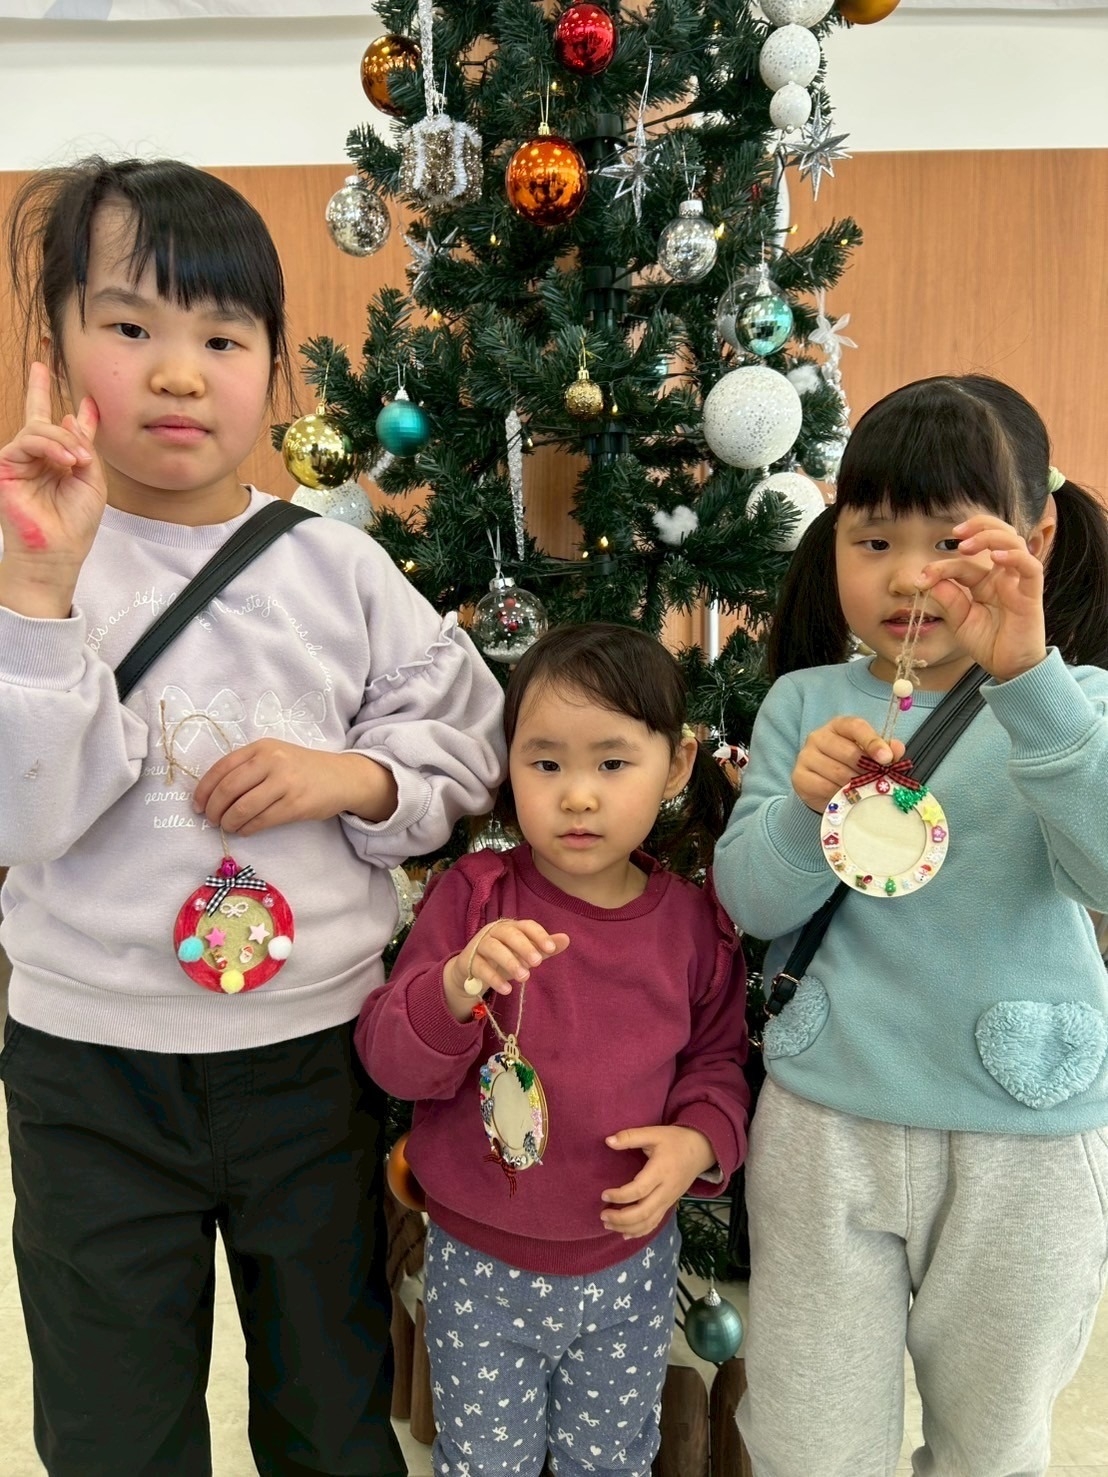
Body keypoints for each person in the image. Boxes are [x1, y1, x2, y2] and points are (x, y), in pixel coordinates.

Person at [0, 156, 505, 1477]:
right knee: (112, 1428)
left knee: (331, 1411)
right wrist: (38, 597)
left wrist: (356, 778)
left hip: (311, 1060)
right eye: (129, 326)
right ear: (54, 350)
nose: (179, 374)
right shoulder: (23, 558)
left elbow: (465, 730)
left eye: (222, 338)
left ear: (275, 366)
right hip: (91, 1072)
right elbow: (22, 818)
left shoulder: (337, 565)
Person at [713, 374, 1108, 1477]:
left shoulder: (1077, 702)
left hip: (1025, 1132)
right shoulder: (804, 702)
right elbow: (751, 902)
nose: (907, 576)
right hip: (827, 1119)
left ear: (1034, 538)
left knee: (993, 1442)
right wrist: (802, 808)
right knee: (806, 1437)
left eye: (951, 541)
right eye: (874, 539)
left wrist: (1028, 682)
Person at [357, 622, 750, 1477]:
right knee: (482, 1463)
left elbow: (719, 1064)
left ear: (677, 764)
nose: (577, 796)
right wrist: (454, 986)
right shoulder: (474, 898)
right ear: (509, 764)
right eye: (545, 763)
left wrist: (697, 1142)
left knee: (610, 1461)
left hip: (628, 1266)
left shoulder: (693, 925)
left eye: (612, 763)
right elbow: (389, 1058)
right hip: (478, 1264)